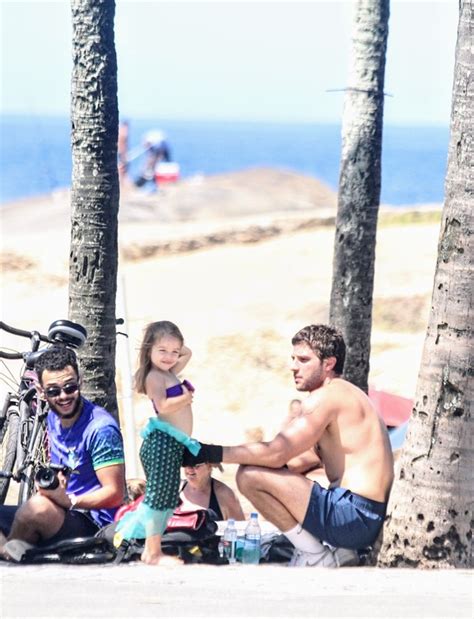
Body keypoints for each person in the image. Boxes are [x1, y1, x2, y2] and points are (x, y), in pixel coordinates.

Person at [188, 324, 394, 567]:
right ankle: (334, 552)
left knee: (249, 475)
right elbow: (296, 462)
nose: (293, 366)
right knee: (258, 470)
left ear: (328, 363)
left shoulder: (326, 398)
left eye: (304, 360)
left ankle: (314, 556)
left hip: (353, 516)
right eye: (293, 358)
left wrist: (209, 452)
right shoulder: (347, 394)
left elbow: (276, 453)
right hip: (362, 515)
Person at [0, 346, 126, 562]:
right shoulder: (53, 418)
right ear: (40, 391)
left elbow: (115, 494)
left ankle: (11, 559)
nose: (63, 396)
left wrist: (70, 500)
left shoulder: (100, 428)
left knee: (36, 509)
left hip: (92, 522)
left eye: (70, 387)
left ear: (80, 383)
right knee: (36, 507)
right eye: (53, 391)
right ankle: (12, 552)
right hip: (60, 510)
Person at [115, 320, 200, 565]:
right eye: (162, 351)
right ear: (149, 350)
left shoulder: (169, 372)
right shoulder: (155, 377)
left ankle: (155, 548)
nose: (170, 357)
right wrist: (185, 398)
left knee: (168, 496)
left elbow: (189, 352)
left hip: (173, 443)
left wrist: (169, 348)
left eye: (174, 351)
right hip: (161, 442)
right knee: (157, 496)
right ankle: (152, 552)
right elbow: (162, 406)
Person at [180, 462, 245, 521]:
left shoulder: (224, 494)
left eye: (196, 465)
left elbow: (239, 529)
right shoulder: (176, 489)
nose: (189, 469)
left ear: (209, 466)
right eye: (186, 464)